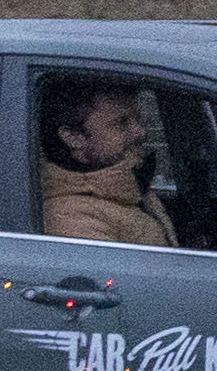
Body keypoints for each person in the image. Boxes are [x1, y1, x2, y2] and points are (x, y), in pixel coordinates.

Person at [37, 81, 178, 247]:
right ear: (74, 137)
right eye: (121, 123)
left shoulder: (128, 188)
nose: (140, 132)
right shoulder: (71, 218)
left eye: (138, 119)